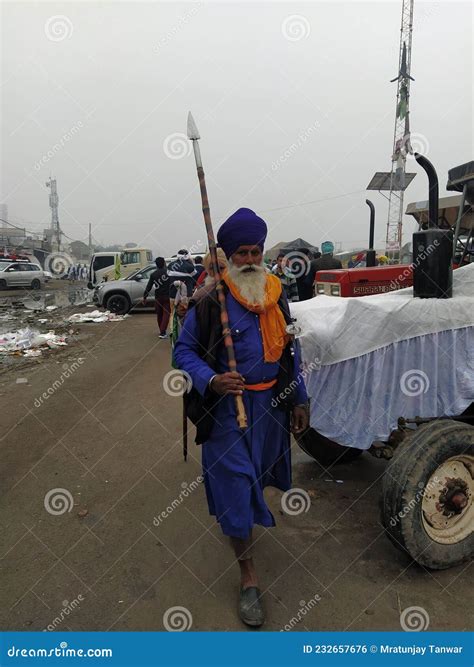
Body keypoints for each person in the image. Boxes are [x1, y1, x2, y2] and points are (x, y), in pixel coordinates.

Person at [174, 208, 309, 628]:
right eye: (242, 253)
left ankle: (243, 524)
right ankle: (248, 576)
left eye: (256, 251)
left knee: (258, 476)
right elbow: (183, 352)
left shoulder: (277, 294)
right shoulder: (211, 302)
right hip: (228, 413)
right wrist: (211, 379)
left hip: (270, 408)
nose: (250, 259)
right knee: (234, 484)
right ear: (230, 256)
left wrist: (299, 397)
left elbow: (291, 349)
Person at [142, 257, 170, 338]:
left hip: (158, 297)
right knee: (166, 314)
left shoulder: (153, 274)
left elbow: (149, 287)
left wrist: (144, 297)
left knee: (159, 314)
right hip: (167, 296)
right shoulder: (168, 273)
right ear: (164, 263)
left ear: (156, 264)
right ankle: (163, 332)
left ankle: (161, 331)